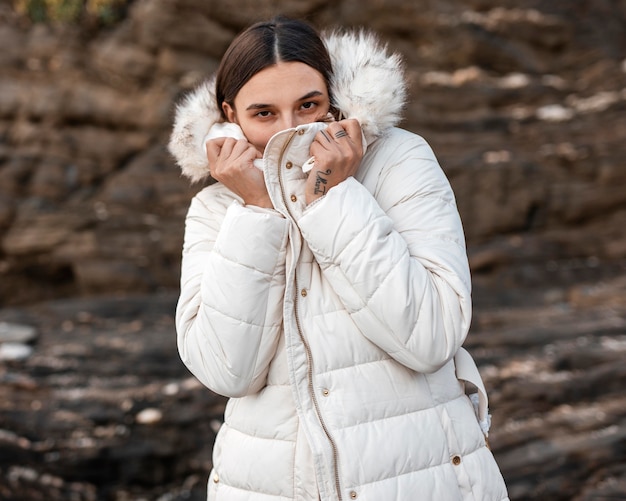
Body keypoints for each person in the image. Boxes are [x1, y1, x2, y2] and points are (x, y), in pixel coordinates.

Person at [168, 16, 509, 501]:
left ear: (334, 96)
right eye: (263, 113)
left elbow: (431, 335)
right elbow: (227, 372)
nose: (291, 131)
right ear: (230, 115)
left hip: (420, 480)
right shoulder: (215, 210)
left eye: (308, 105)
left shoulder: (399, 162)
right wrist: (258, 213)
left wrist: (329, 197)